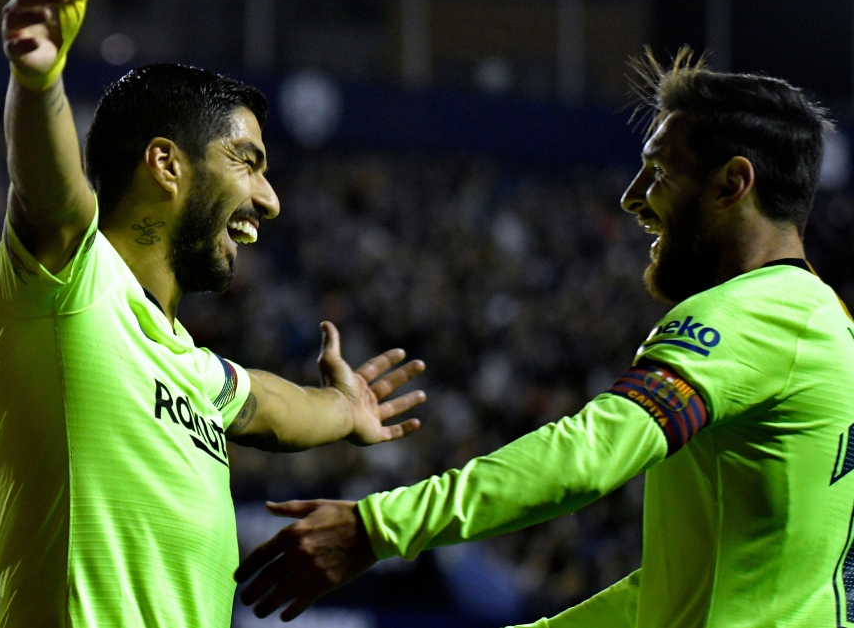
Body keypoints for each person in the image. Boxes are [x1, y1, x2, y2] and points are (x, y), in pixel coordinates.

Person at [234, 50, 854, 627]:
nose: (631, 196)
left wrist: (380, 526)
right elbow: (673, 592)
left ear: (732, 184)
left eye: (658, 171)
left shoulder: (755, 312)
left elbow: (592, 452)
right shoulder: (821, 320)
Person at [0, 0, 427, 628]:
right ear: (165, 164)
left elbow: (268, 405)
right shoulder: (73, 282)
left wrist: (342, 408)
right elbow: (51, 192)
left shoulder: (188, 364)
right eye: (248, 163)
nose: (269, 200)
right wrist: (39, 84)